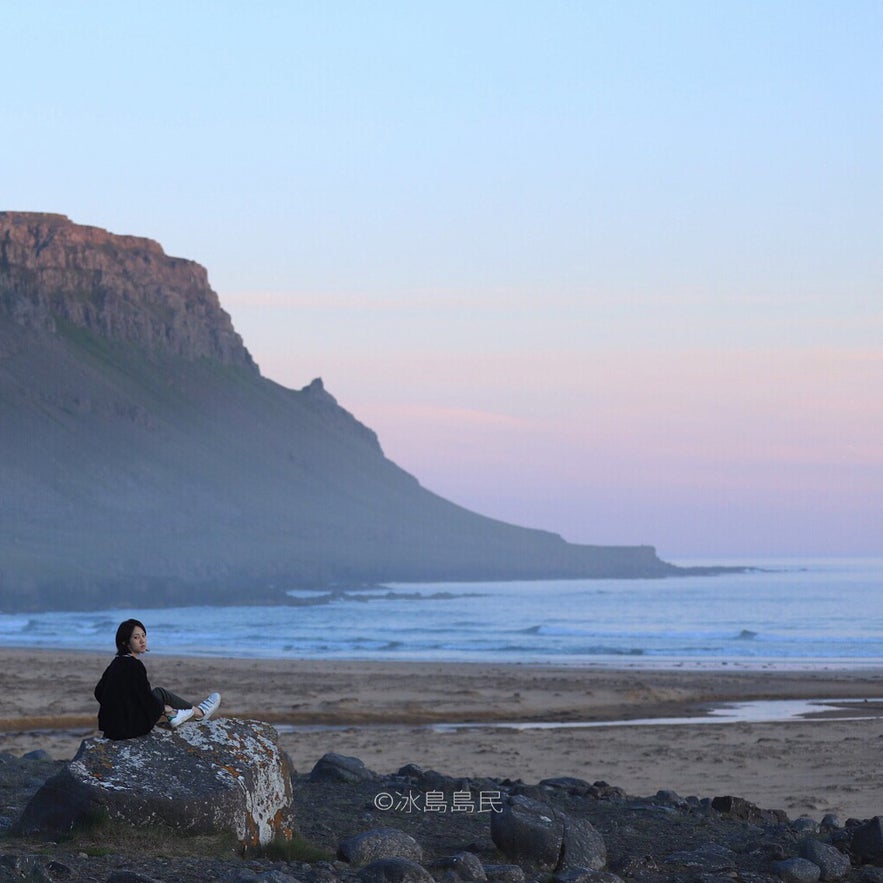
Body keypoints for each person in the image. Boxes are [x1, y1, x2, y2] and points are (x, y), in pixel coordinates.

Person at [94, 618, 221, 741]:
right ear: (125, 643)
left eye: (144, 635)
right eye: (136, 637)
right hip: (129, 729)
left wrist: (121, 707)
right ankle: (198, 713)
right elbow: (146, 700)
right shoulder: (135, 666)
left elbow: (98, 692)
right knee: (160, 693)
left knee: (152, 696)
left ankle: (176, 714)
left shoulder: (116, 663)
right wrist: (165, 709)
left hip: (111, 730)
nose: (142, 641)